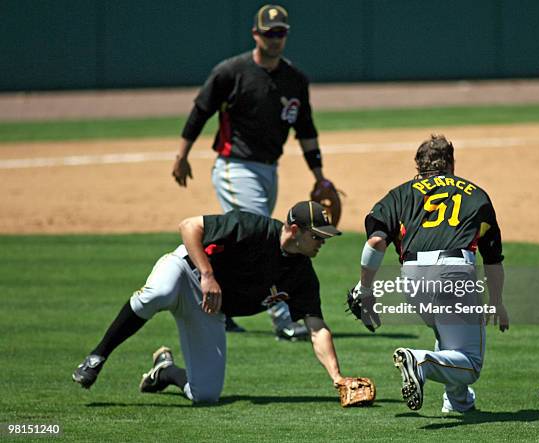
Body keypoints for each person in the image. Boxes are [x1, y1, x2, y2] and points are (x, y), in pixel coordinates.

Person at [73, 201, 348, 404]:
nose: (322, 242)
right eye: (317, 235)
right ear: (295, 230)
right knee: (157, 293)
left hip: (210, 308)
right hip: (185, 271)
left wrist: (337, 378)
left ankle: (166, 372)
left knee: (205, 395)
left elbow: (316, 328)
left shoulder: (302, 275)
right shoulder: (252, 228)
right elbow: (189, 226)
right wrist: (207, 274)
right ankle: (97, 356)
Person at [171, 4, 336, 340]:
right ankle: (283, 320)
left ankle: (222, 306)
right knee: (264, 232)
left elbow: (306, 129)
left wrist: (319, 175)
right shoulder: (231, 72)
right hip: (235, 166)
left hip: (269, 169)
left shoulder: (295, 80)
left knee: (238, 241)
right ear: (256, 34)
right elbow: (201, 111)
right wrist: (182, 154)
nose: (276, 39)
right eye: (270, 32)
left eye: (282, 33)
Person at [354, 134, 509, 413]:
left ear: (418, 166)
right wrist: (497, 301)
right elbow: (492, 259)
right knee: (470, 362)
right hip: (454, 273)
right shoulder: (476, 194)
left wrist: (365, 290)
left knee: (447, 337)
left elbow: (375, 242)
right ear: (451, 163)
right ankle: (419, 361)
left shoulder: (399, 194)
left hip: (412, 277)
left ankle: (458, 402)